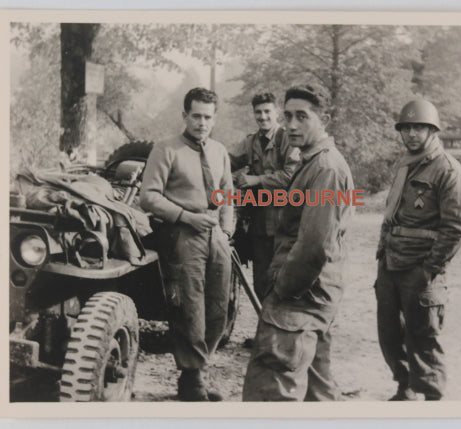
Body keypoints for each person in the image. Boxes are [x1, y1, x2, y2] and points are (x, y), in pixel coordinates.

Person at [242, 84, 354, 401]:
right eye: (288, 115)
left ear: (325, 119)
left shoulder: (325, 168)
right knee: (317, 389)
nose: (291, 125)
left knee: (273, 387)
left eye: (301, 116)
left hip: (301, 297)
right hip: (315, 294)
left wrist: (283, 286)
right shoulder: (312, 161)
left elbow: (315, 245)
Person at [140, 87, 234, 401]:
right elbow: (149, 196)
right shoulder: (166, 149)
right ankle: (192, 379)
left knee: (219, 307)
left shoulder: (220, 151)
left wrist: (225, 228)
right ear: (185, 116)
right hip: (182, 234)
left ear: (215, 119)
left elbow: (226, 192)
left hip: (215, 235)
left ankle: (200, 370)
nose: (202, 123)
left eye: (208, 117)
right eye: (196, 116)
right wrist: (185, 217)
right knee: (189, 307)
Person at [375, 99, 461, 401]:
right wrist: (382, 253)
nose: (412, 134)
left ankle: (431, 400)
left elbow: (456, 227)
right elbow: (391, 216)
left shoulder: (447, 170)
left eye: (420, 128)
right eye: (407, 128)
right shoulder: (405, 165)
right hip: (391, 264)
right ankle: (406, 388)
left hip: (420, 269)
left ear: (433, 131)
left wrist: (430, 268)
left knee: (423, 339)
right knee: (389, 334)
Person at [229, 92, 300, 303]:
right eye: (258, 112)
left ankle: (281, 334)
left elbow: (292, 175)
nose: (263, 116)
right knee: (261, 282)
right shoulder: (251, 141)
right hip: (260, 224)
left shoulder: (288, 139)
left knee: (285, 281)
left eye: (267, 111)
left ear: (276, 112)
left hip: (285, 223)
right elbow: (226, 161)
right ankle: (265, 333)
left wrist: (256, 180)